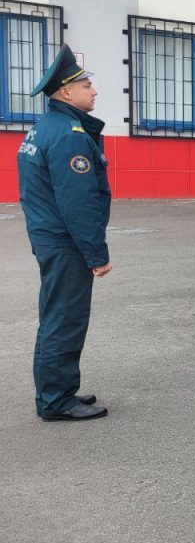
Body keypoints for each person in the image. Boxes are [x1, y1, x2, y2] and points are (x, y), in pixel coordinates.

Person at [17, 44, 112, 422]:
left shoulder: (44, 128)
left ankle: (56, 391)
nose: (94, 90)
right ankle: (56, 400)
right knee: (65, 320)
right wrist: (97, 254)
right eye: (86, 85)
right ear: (66, 92)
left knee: (55, 316)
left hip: (49, 237)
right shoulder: (69, 135)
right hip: (65, 241)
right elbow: (78, 202)